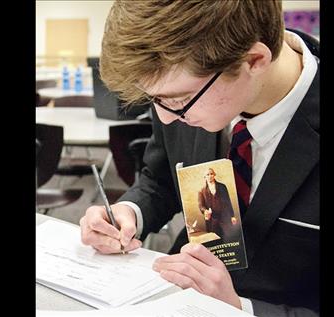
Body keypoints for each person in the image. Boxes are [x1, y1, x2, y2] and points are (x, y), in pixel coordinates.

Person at [80, 1, 319, 316]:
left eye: (178, 100)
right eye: (155, 100)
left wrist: (238, 309)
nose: (166, 119)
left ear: (255, 60)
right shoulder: (187, 90)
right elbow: (162, 178)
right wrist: (129, 212)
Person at [198, 168, 237, 242]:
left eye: (211, 174)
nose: (210, 176)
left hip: (225, 216)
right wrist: (205, 211)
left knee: (230, 239)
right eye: (207, 174)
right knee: (215, 240)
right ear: (205, 177)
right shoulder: (202, 190)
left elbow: (228, 201)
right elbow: (201, 205)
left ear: (214, 175)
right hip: (212, 219)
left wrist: (232, 216)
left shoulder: (222, 187)